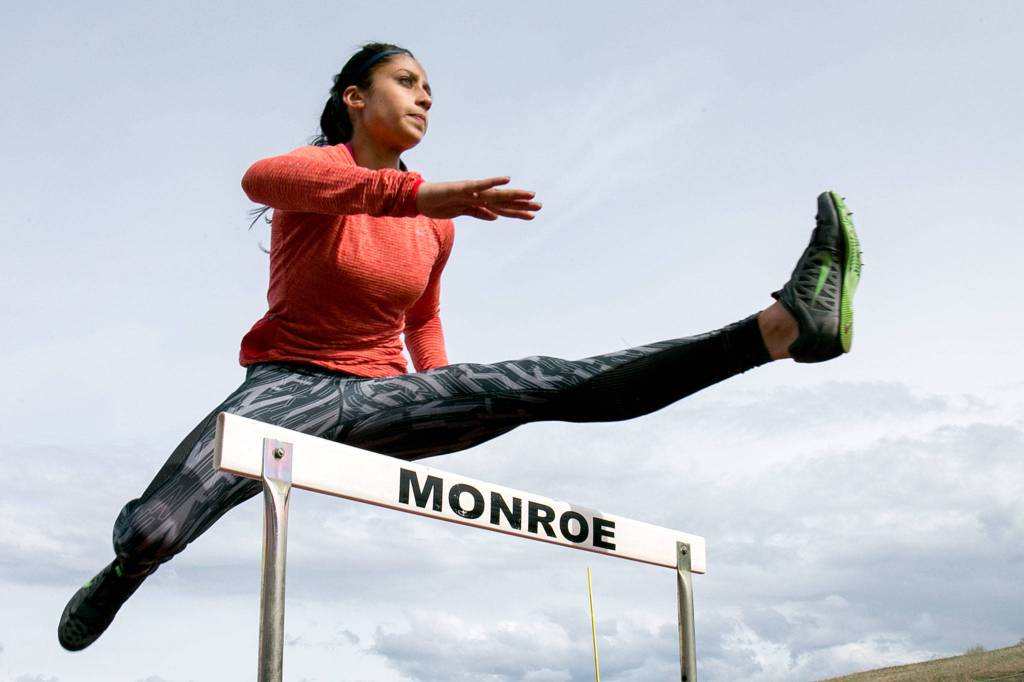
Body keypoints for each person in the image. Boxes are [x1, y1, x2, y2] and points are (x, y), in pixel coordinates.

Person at [58, 42, 862, 651]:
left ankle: (778, 332)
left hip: (379, 397)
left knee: (543, 380)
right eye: (408, 82)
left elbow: (423, 322)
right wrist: (420, 193)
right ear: (354, 97)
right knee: (152, 532)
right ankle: (124, 572)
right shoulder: (316, 172)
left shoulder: (438, 224)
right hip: (284, 388)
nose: (425, 98)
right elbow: (257, 181)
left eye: (430, 92)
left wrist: (444, 398)